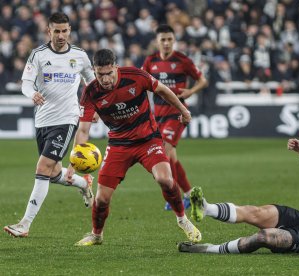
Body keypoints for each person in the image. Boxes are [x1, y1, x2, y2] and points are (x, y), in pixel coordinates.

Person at [67, 49, 201, 246]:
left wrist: (183, 110)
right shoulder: (91, 92)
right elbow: (83, 129)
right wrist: (75, 160)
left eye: (108, 73)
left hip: (148, 140)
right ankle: (96, 235)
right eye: (99, 74)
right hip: (118, 145)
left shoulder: (135, 76)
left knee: (165, 178)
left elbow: (163, 90)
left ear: (115, 67)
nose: (104, 79)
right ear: (94, 72)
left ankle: (183, 220)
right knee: (102, 199)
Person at [4, 12, 96, 238]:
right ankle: (83, 184)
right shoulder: (38, 55)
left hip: (66, 120)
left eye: (65, 31)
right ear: (49, 31)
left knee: (42, 168)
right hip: (42, 120)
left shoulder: (80, 56)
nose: (61, 35)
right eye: (57, 31)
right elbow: (26, 82)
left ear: (70, 31)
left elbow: (92, 83)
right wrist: (32, 93)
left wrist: (94, 107)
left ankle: (25, 224)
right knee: (54, 173)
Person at [142, 24, 208, 211]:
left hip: (177, 114)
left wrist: (191, 91)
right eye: (163, 39)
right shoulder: (150, 61)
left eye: (170, 39)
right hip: (159, 114)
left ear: (174, 40)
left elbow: (203, 80)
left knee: (165, 149)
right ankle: (188, 195)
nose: (166, 43)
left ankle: (176, 196)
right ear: (157, 41)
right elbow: (142, 83)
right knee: (171, 157)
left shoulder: (183, 60)